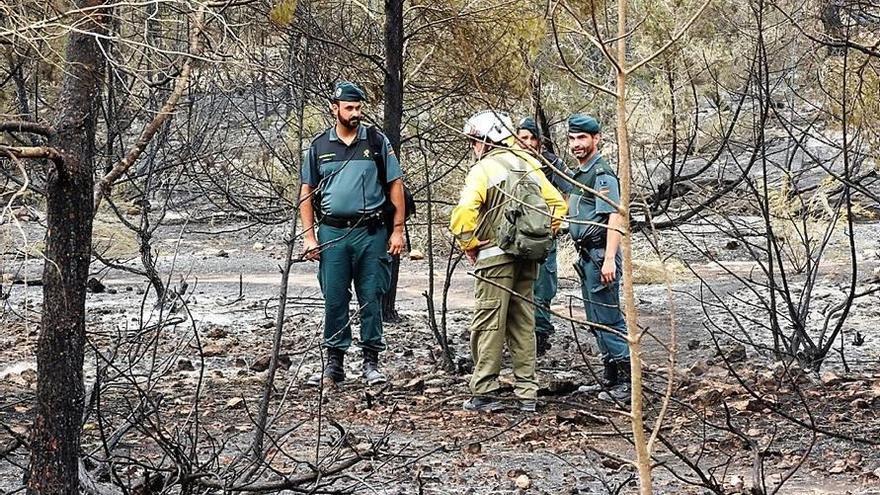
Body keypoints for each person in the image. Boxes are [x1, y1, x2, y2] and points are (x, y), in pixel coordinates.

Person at [450, 110, 567, 412]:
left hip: (494, 259)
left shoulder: (484, 168)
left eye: (475, 140)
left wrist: (469, 243)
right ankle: (527, 392)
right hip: (529, 258)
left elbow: (464, 213)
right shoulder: (528, 164)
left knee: (488, 321)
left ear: (486, 140)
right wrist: (541, 237)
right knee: (523, 322)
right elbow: (557, 205)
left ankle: (484, 390)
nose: (473, 146)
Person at [299, 81, 406, 387]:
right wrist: (309, 236)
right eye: (349, 108)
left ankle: (371, 361)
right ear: (335, 109)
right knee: (334, 297)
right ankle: (335, 361)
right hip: (333, 233)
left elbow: (395, 183)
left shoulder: (376, 140)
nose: (356, 113)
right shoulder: (319, 146)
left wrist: (397, 230)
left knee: (371, 296)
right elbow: (307, 192)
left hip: (371, 232)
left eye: (359, 107)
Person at [565, 114, 630, 402]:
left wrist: (609, 259)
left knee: (608, 317)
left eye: (582, 138)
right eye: (572, 138)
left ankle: (627, 382)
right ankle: (611, 376)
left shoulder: (601, 172)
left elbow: (614, 216)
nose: (576, 144)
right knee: (595, 317)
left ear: (596, 139)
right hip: (587, 256)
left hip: (600, 252)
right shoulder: (580, 174)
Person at [515, 117, 572, 356]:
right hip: (517, 233)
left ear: (539, 141)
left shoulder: (549, 163)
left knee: (543, 286)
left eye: (532, 138)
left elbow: (571, 187)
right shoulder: (509, 161)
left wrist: (558, 221)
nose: (528, 142)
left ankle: (541, 334)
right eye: (523, 137)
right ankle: (519, 336)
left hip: (544, 234)